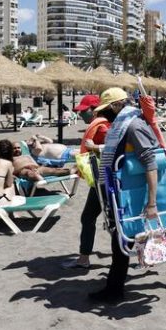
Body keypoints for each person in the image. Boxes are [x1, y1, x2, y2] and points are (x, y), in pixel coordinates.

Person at [89, 87, 166, 304]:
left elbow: (151, 162)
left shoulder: (134, 125)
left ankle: (114, 291)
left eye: (106, 110)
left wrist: (151, 203)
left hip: (138, 193)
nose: (105, 115)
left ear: (115, 106)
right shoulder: (126, 124)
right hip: (131, 189)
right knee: (155, 232)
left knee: (124, 238)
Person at [62, 93, 112, 270]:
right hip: (101, 179)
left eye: (84, 111)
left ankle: (84, 259)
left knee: (96, 218)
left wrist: (95, 148)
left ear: (94, 110)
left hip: (106, 181)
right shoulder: (101, 125)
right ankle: (84, 258)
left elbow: (114, 149)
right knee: (99, 218)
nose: (81, 114)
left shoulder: (103, 127)